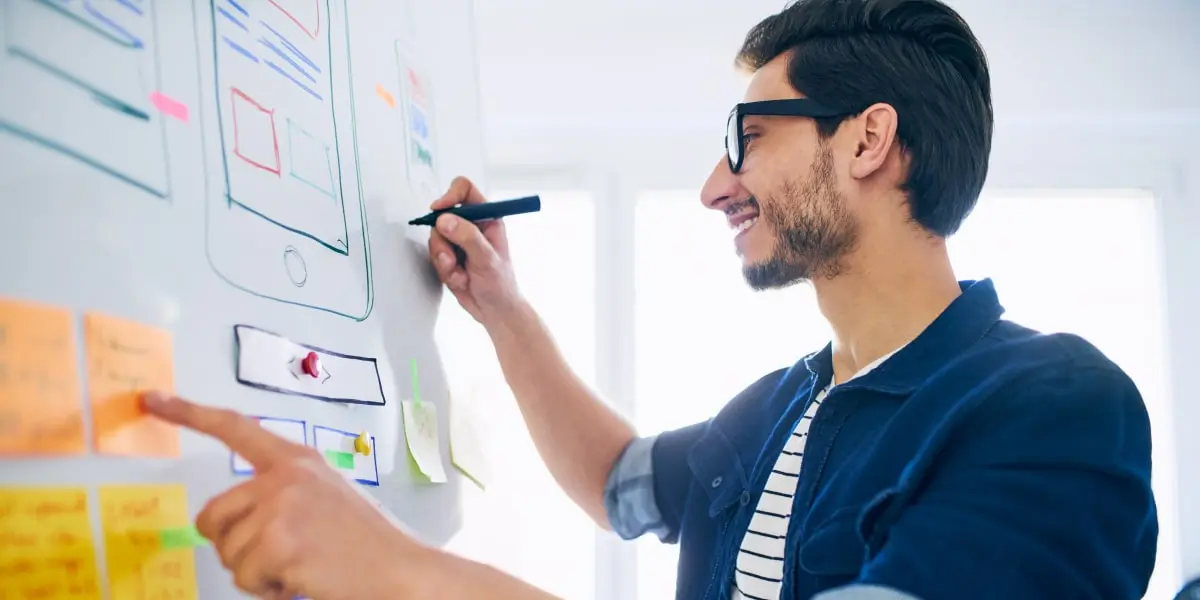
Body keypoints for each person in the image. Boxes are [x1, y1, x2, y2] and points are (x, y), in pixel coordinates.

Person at [149, 0, 1158, 598]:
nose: (716, 186)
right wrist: (502, 309)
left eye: (748, 139)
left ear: (865, 140)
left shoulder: (1059, 409)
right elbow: (620, 481)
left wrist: (402, 571)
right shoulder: (784, 406)